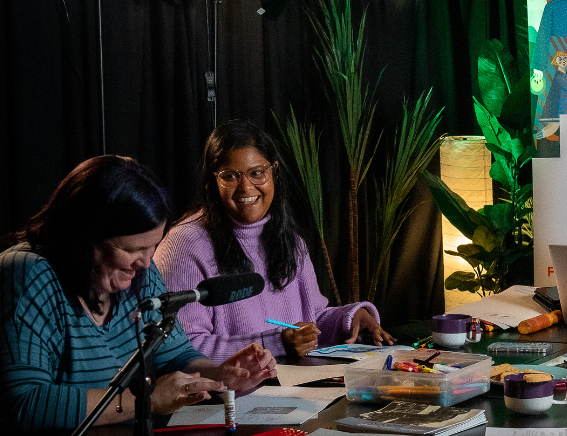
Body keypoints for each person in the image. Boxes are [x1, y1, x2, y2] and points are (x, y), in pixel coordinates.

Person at [0, 155, 276, 436]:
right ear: (86, 235)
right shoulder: (26, 274)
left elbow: (175, 355)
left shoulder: (139, 275)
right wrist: (145, 401)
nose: (146, 261)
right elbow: (24, 404)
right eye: (132, 249)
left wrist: (219, 375)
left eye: (152, 246)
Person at [155, 120, 393, 361]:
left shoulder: (290, 240)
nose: (245, 187)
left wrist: (350, 319)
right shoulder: (185, 244)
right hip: (232, 386)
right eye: (230, 176)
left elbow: (311, 322)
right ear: (213, 181)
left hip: (296, 382)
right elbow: (180, 349)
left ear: (274, 172)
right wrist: (276, 343)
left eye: (257, 173)